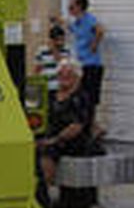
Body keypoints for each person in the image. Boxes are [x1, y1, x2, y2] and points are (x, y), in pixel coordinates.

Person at [37, 59, 99, 188]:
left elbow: (76, 127)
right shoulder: (51, 95)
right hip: (51, 136)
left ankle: (44, 189)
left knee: (47, 151)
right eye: (61, 74)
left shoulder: (81, 97)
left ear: (77, 77)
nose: (64, 77)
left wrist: (54, 140)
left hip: (72, 140)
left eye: (69, 74)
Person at [67, 0, 106, 110]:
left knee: (91, 98)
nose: (69, 8)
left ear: (79, 6)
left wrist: (95, 43)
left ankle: (91, 123)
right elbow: (71, 29)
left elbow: (100, 30)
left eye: (72, 6)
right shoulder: (76, 23)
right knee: (80, 96)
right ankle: (84, 123)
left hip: (92, 64)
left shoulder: (88, 19)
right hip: (80, 64)